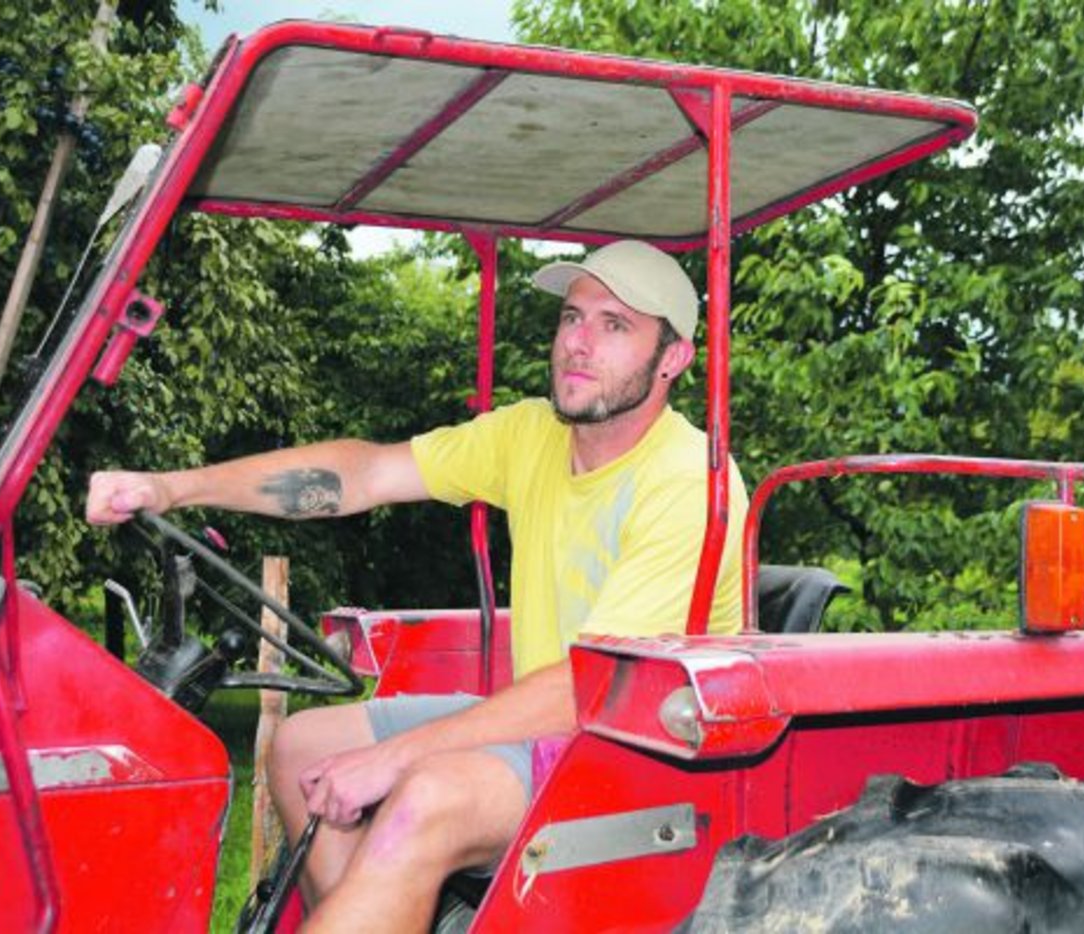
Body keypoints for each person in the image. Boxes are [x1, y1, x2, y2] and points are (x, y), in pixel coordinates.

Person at [86, 239, 746, 933]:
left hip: (638, 758)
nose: (579, 343)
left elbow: (591, 687)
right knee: (301, 748)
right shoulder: (532, 435)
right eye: (572, 318)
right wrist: (174, 487)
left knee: (425, 793)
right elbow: (364, 474)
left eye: (615, 326)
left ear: (672, 358)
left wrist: (392, 760)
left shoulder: (687, 480)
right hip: (547, 728)